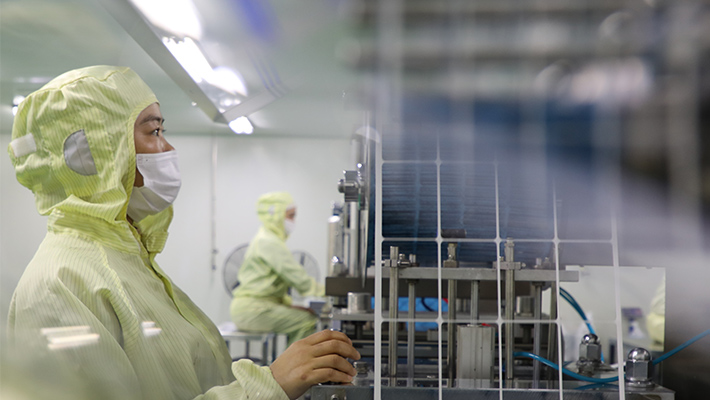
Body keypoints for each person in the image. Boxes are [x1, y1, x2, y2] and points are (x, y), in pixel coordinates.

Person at [6, 65, 359, 400]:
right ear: (94, 154)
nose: (169, 148)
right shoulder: (59, 284)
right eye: (154, 132)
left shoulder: (128, 259)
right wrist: (267, 386)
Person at [230, 192, 325, 346]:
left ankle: (291, 360)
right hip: (253, 310)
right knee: (306, 321)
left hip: (255, 307)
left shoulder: (266, 238)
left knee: (302, 315)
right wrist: (330, 291)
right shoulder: (269, 242)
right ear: (276, 215)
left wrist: (290, 305)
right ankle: (295, 362)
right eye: (290, 215)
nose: (293, 221)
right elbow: (298, 278)